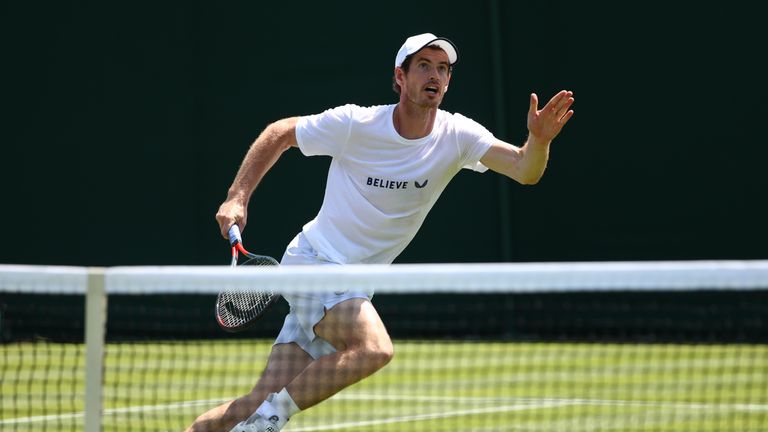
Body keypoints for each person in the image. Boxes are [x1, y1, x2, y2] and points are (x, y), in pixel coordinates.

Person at [186, 32, 574, 432]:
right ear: (400, 77)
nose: (435, 76)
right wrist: (237, 197)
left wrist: (539, 141)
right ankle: (270, 421)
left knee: (250, 403)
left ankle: (256, 417)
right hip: (314, 264)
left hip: (352, 288)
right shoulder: (358, 123)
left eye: (443, 68)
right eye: (423, 65)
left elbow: (525, 170)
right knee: (374, 348)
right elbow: (280, 132)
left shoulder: (458, 135)